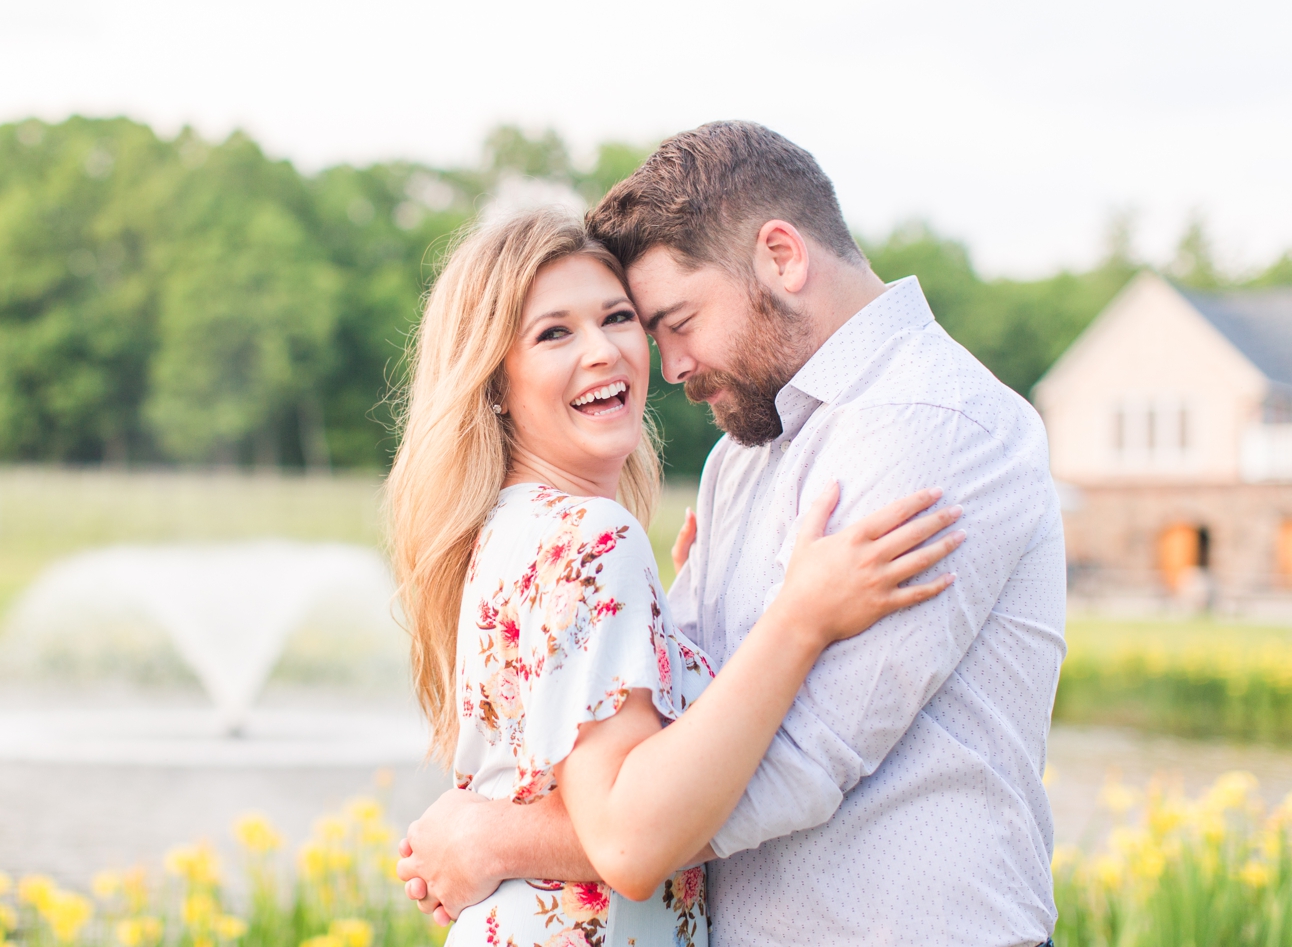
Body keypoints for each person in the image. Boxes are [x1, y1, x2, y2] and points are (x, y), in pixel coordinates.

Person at [398, 122, 1067, 947]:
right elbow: (679, 736)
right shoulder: (743, 456)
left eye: (670, 319)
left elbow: (794, 759)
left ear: (782, 257)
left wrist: (498, 836)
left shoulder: (934, 426)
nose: (666, 364)